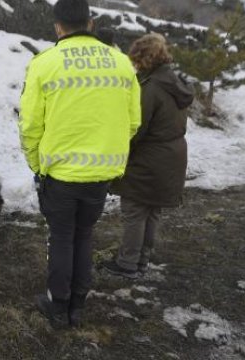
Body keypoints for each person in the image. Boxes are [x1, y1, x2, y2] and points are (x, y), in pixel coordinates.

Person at [18, 0, 141, 328]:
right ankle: (78, 305)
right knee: (84, 235)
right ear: (91, 22)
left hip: (60, 174)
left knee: (60, 237)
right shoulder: (121, 62)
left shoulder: (44, 63)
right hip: (101, 173)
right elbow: (132, 122)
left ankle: (58, 306)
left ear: (57, 26)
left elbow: (30, 124)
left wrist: (36, 164)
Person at [103, 33, 194, 279]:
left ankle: (127, 263)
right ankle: (142, 260)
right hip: (171, 156)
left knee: (134, 211)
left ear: (145, 58)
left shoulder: (150, 87)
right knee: (152, 211)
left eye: (136, 59)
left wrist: (117, 150)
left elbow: (137, 128)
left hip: (149, 157)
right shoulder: (172, 81)